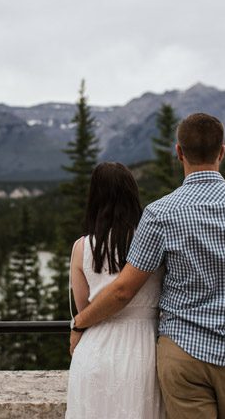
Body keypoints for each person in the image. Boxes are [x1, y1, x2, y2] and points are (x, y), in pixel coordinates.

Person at [70, 113, 225, 419]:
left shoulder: (160, 213)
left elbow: (123, 289)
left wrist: (80, 322)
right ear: (222, 151)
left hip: (182, 351)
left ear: (179, 152)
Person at [65, 161, 165, 419]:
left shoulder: (82, 248)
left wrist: (77, 326)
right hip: (145, 349)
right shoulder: (152, 243)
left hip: (95, 349)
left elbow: (84, 309)